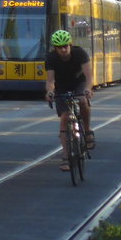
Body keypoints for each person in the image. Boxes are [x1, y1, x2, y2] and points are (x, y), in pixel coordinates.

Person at [44, 29, 95, 171]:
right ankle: (66, 156)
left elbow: (89, 77)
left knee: (82, 101)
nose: (64, 49)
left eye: (66, 46)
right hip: (61, 86)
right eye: (60, 47)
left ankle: (87, 130)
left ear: (70, 45)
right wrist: (49, 91)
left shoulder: (80, 53)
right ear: (55, 48)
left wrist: (88, 89)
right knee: (65, 117)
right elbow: (50, 80)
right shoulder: (52, 58)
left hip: (79, 83)